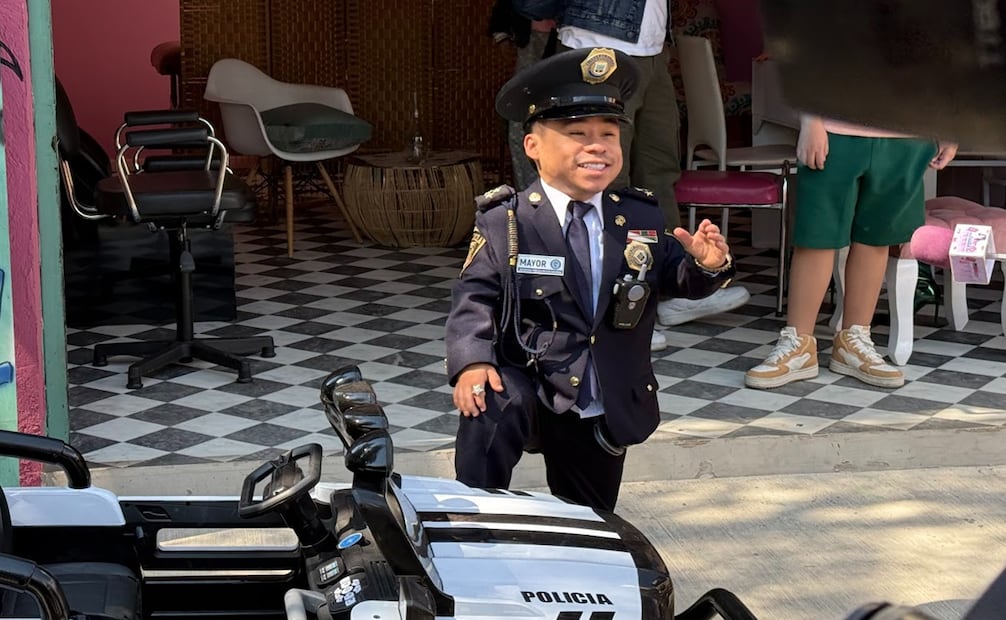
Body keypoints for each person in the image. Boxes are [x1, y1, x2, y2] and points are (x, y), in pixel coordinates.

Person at [445, 47, 737, 511]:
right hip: (533, 386)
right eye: (577, 134)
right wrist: (471, 362)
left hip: (601, 397)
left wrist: (705, 265)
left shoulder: (638, 215)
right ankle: (476, 520)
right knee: (494, 400)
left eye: (608, 133)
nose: (597, 146)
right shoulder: (509, 220)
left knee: (591, 520)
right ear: (533, 147)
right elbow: (475, 295)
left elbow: (672, 280)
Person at [513, 0, 751, 348]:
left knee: (659, 170)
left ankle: (668, 290)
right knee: (603, 176)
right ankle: (614, 302)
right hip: (596, 46)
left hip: (652, 49)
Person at [744, 116, 958, 390]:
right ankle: (798, 343)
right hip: (835, 129)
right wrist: (810, 120)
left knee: (877, 237)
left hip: (909, 133)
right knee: (816, 235)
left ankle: (854, 341)